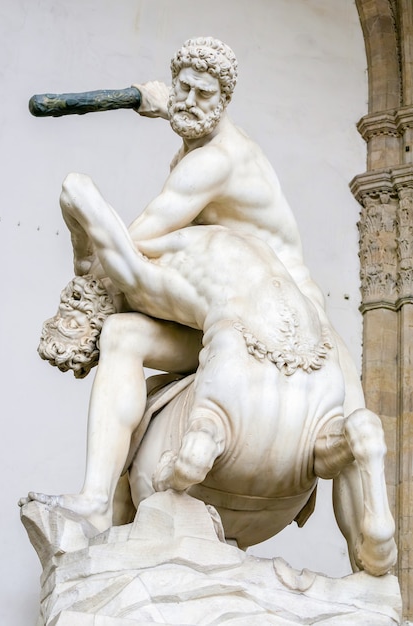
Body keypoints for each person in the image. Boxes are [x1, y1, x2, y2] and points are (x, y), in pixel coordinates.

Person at [21, 38, 372, 567]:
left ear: (224, 100)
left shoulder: (215, 162)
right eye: (180, 88)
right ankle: (94, 502)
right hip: (225, 317)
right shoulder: (194, 147)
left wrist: (82, 243)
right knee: (122, 338)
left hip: (295, 320)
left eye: (202, 93)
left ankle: (370, 565)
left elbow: (136, 241)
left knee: (354, 417)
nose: (187, 100)